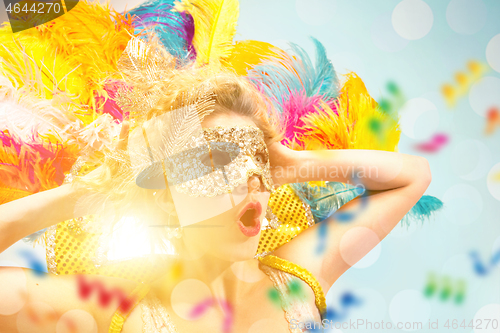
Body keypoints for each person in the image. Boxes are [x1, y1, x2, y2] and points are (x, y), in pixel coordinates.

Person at [0, 1, 440, 332]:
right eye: (217, 161)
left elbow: (412, 177)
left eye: (258, 160)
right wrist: (86, 195)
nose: (250, 177)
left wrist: (295, 164)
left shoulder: (295, 280)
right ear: (170, 201)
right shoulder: (114, 307)